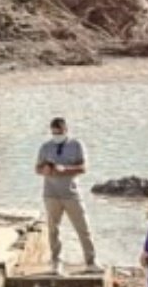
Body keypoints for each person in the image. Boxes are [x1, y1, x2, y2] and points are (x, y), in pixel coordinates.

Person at [35, 116, 100, 276]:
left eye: (59, 132)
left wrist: (65, 169)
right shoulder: (45, 147)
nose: (57, 135)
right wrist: (46, 170)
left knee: (83, 228)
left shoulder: (76, 145)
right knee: (53, 229)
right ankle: (56, 262)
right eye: (54, 132)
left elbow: (84, 167)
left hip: (71, 194)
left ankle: (91, 261)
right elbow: (37, 169)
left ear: (66, 130)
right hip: (51, 194)